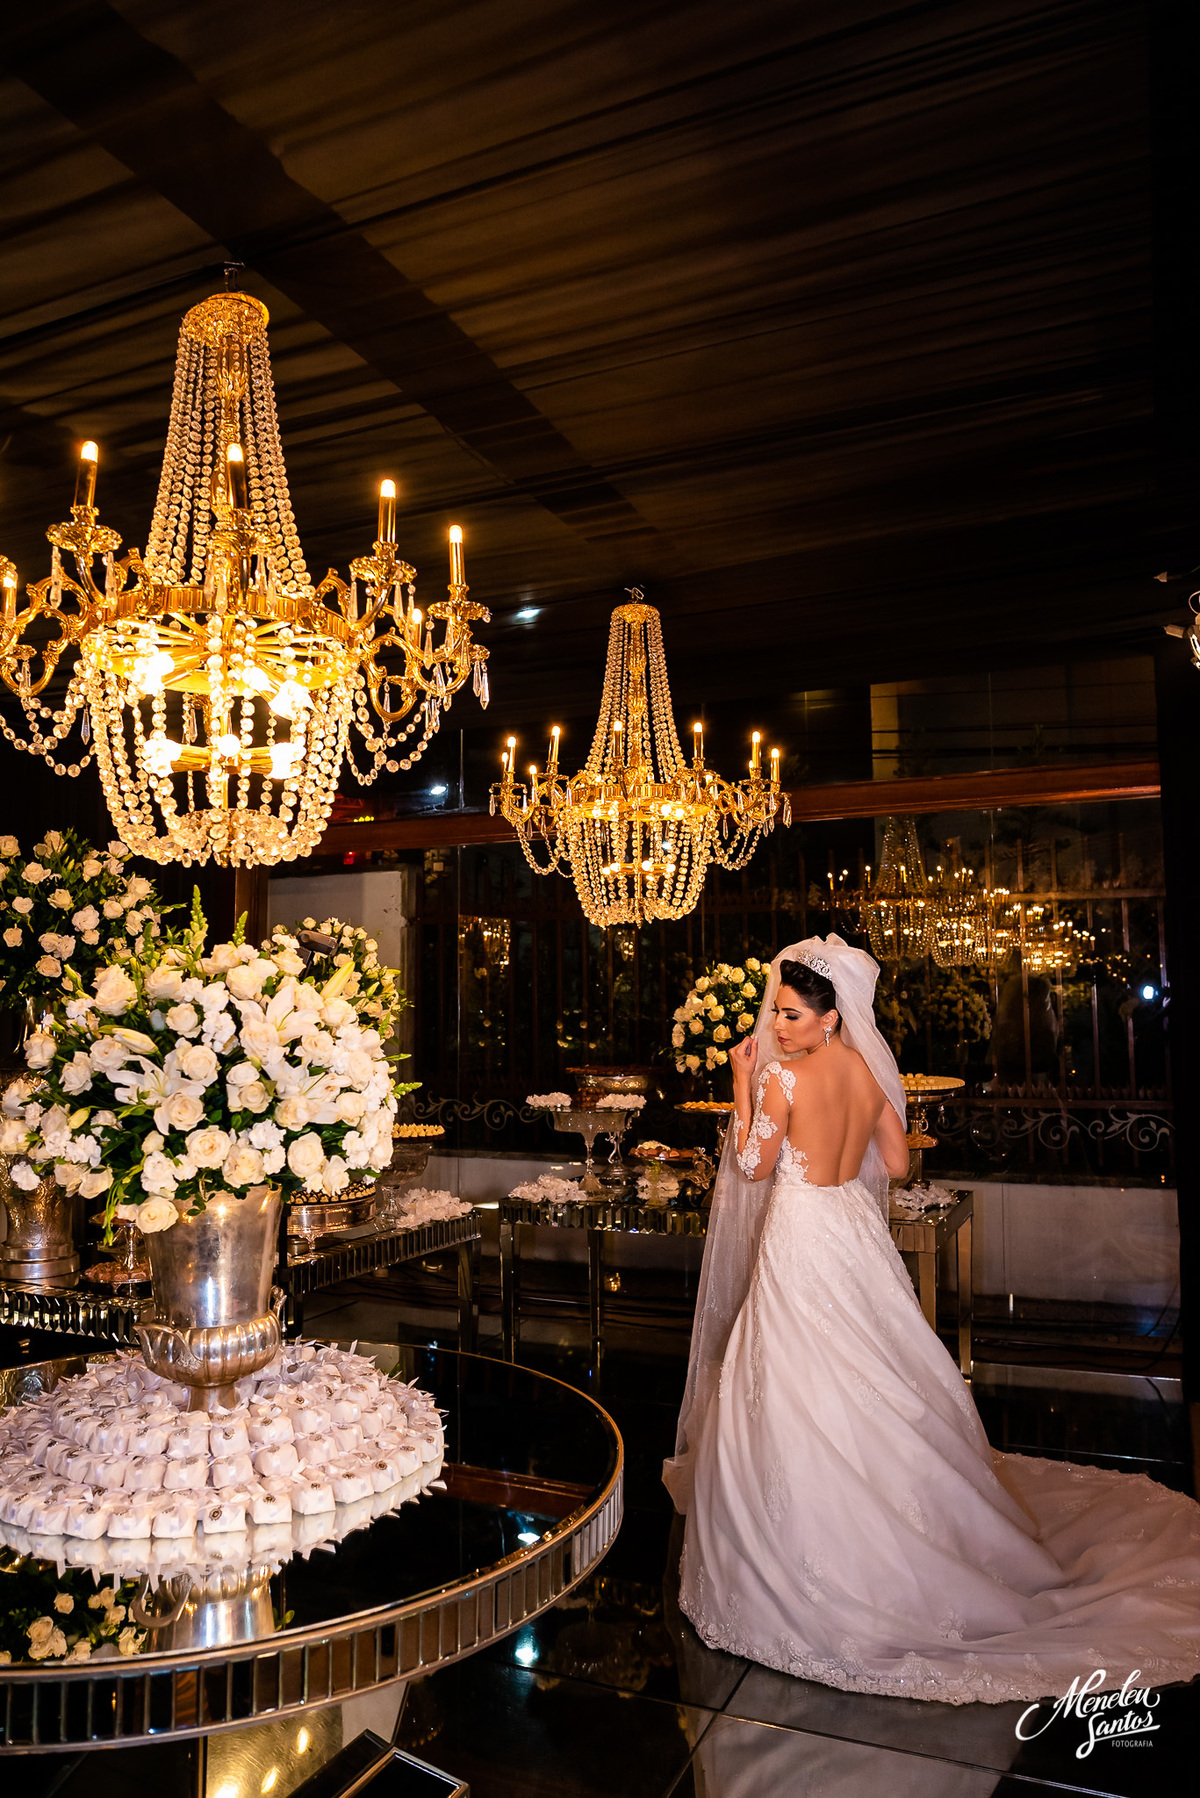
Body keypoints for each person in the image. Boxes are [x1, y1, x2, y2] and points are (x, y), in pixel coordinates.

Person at [664, 936, 1200, 1705]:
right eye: (775, 1015)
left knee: (796, 1375)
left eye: (789, 1014)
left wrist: (744, 1086)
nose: (776, 1027)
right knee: (876, 1368)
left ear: (827, 1016)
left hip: (803, 1241)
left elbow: (751, 1166)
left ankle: (820, 1555)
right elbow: (902, 1164)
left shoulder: (783, 1076)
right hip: (852, 1235)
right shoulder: (870, 1074)